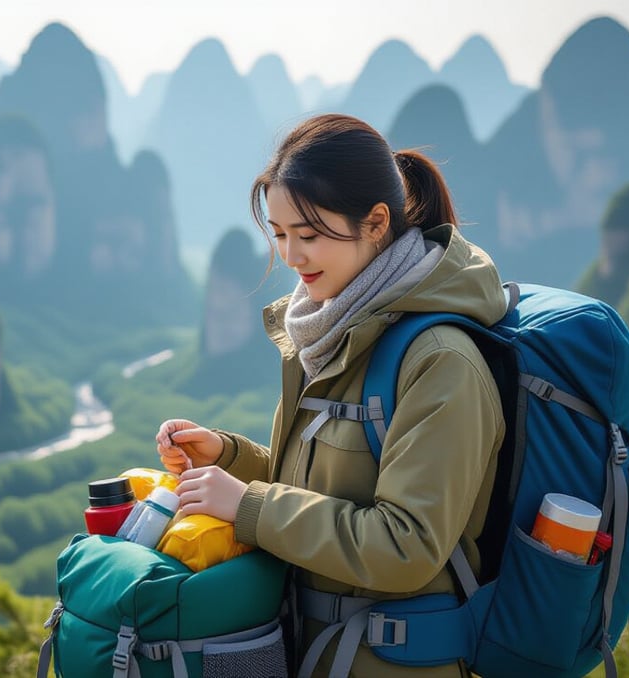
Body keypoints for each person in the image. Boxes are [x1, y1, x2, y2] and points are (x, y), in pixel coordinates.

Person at [155, 113, 509, 677]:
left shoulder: (441, 361)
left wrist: (247, 506)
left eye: (310, 234)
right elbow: (320, 488)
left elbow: (406, 546)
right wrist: (227, 458)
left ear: (375, 223)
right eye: (279, 234)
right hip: (316, 653)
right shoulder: (331, 332)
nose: (291, 257)